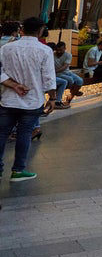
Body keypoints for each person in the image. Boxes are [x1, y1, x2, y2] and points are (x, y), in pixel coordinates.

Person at [0, 17, 57, 183]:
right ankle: (18, 170)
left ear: (22, 29)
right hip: (32, 101)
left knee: (2, 133)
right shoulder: (44, 50)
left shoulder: (7, 48)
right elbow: (49, 78)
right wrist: (52, 98)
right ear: (40, 30)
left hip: (8, 99)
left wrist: (12, 85)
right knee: (24, 134)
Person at [52, 42, 82, 108]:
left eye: (61, 50)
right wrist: (54, 72)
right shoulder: (52, 55)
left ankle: (72, 93)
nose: (59, 51)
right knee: (70, 80)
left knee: (80, 80)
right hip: (57, 74)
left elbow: (65, 66)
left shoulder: (68, 55)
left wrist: (55, 71)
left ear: (65, 48)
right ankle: (73, 90)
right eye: (57, 50)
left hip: (66, 72)